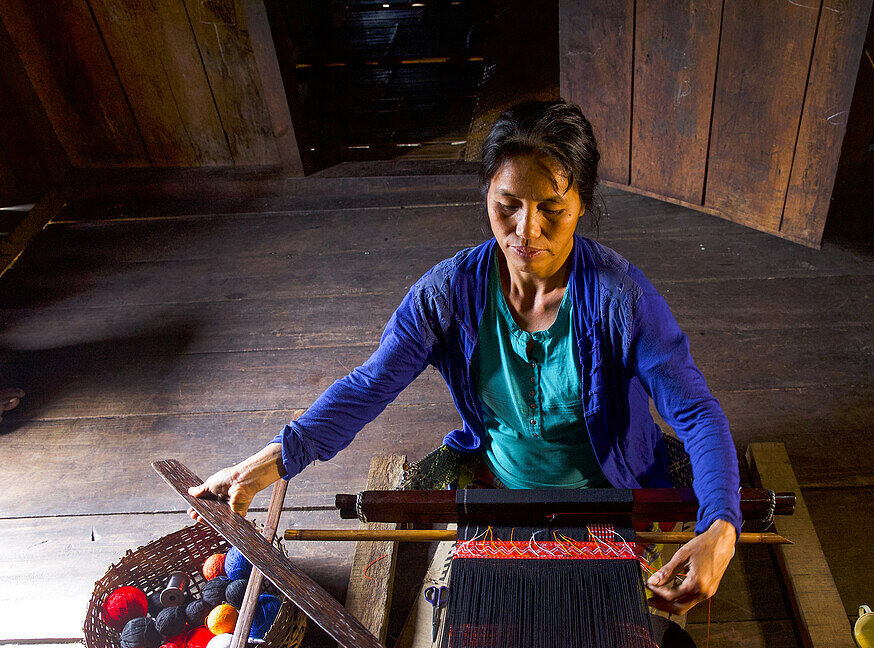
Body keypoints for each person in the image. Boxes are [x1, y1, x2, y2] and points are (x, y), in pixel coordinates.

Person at [190, 101, 740, 614]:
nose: (527, 231)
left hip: (614, 496)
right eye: (508, 206)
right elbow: (369, 385)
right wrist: (275, 457)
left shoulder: (622, 300)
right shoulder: (448, 295)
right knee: (483, 623)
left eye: (552, 208)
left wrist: (720, 525)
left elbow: (695, 411)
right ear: (487, 198)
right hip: (501, 491)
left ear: (582, 206)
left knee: (618, 624)